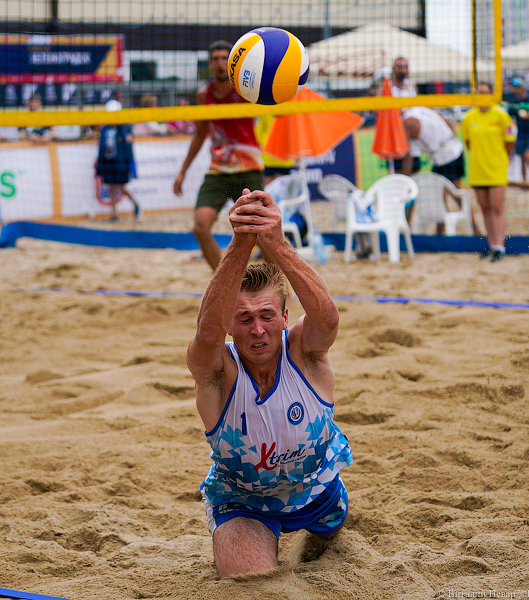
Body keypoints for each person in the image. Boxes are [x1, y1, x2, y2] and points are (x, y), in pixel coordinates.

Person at [187, 187, 352, 578]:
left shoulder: (303, 352)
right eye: (243, 319)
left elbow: (328, 319)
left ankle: (327, 510)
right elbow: (207, 336)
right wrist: (242, 241)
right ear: (230, 325)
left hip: (316, 488)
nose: (258, 330)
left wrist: (276, 243)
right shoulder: (217, 370)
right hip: (243, 500)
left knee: (333, 530)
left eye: (266, 315)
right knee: (250, 583)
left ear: (284, 316)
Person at [173, 40, 265, 271]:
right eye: (215, 59)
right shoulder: (205, 94)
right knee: (201, 227)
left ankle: (278, 285)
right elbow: (200, 134)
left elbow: (272, 103)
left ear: (232, 62)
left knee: (264, 233)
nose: (220, 63)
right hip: (219, 171)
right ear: (209, 64)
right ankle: (225, 280)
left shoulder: (246, 89)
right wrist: (183, 171)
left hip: (248, 169)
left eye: (225, 58)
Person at [461, 81, 516, 262]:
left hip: (496, 168)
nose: (482, 96)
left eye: (485, 92)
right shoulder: (469, 117)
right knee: (485, 208)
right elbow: (468, 143)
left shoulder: (500, 115)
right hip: (478, 169)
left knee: (497, 207)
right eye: (479, 92)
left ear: (491, 94)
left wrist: (502, 159)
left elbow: (509, 141)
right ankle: (492, 244)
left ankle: (500, 246)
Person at [402, 106, 479, 235]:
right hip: (453, 149)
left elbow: (408, 155)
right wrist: (453, 138)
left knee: (452, 194)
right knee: (448, 194)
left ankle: (471, 230)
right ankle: (446, 232)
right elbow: (447, 120)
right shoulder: (419, 109)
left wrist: (406, 178)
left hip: (445, 155)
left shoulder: (408, 123)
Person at [96, 100, 141, 222]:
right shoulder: (105, 129)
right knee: (111, 186)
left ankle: (135, 204)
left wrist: (131, 165)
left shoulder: (124, 129)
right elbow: (101, 146)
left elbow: (128, 149)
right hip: (108, 160)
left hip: (120, 162)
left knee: (121, 187)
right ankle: (114, 213)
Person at [389, 57, 421, 175]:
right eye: (399, 67)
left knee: (414, 175)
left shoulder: (412, 86)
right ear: (393, 68)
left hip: (413, 140)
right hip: (396, 139)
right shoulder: (388, 88)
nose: (402, 70)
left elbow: (417, 109)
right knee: (397, 176)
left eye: (405, 67)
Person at [506, 77, 529, 183]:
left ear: (522, 87)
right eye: (514, 87)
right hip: (521, 133)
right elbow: (509, 117)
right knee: (522, 159)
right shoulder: (514, 102)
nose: (515, 89)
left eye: (517, 87)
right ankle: (525, 181)